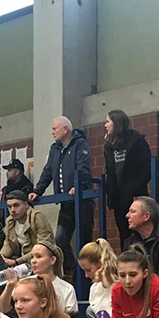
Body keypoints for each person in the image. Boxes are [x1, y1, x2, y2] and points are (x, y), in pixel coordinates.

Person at [30, 117, 94, 279]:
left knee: (84, 241)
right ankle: (72, 272)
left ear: (65, 129)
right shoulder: (55, 149)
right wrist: (38, 190)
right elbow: (48, 171)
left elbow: (83, 168)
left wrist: (78, 186)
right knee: (60, 239)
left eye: (55, 129)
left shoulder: (80, 144)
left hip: (83, 201)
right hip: (66, 203)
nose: (52, 132)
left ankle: (86, 276)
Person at [103, 110, 152, 243]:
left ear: (116, 123)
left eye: (107, 122)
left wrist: (134, 188)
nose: (105, 125)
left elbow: (147, 168)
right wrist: (110, 195)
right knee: (124, 234)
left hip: (135, 195)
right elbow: (110, 172)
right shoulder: (109, 146)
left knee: (139, 232)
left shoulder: (137, 141)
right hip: (118, 198)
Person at [0, 242, 78, 317]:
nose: (33, 261)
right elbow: (2, 309)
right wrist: (9, 287)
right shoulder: (24, 283)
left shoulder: (67, 288)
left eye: (39, 256)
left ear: (52, 260)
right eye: (32, 257)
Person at [76, 238, 118, 318]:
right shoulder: (95, 288)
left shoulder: (118, 288)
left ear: (101, 264)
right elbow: (102, 317)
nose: (86, 275)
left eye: (88, 270)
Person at [1, 191, 55, 267]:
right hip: (22, 262)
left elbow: (43, 245)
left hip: (40, 261)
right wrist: (1, 256)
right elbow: (8, 243)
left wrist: (17, 261)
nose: (12, 210)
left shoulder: (37, 217)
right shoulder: (10, 221)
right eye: (9, 206)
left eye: (16, 205)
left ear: (26, 205)